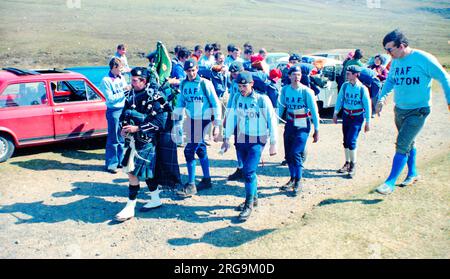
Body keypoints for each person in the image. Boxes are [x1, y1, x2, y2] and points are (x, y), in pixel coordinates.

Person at [374, 29, 450, 195]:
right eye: (386, 50)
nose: (387, 53)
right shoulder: (395, 61)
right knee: (410, 142)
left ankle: (390, 182)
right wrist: (381, 99)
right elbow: (390, 81)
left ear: (401, 46)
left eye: (389, 49)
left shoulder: (423, 58)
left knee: (402, 143)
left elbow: (444, 77)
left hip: (419, 110)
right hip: (400, 110)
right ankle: (413, 173)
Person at [221, 71, 278, 221]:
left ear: (251, 84)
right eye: (239, 86)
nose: (241, 89)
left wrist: (273, 143)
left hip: (257, 140)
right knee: (246, 170)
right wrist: (226, 138)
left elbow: (272, 121)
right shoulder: (237, 98)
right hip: (241, 138)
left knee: (248, 171)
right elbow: (232, 117)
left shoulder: (262, 100)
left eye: (244, 86)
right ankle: (254, 198)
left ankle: (248, 204)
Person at [114, 67, 167, 222]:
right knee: (146, 174)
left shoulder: (155, 97)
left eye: (135, 80)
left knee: (132, 173)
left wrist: (138, 128)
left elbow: (160, 122)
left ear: (144, 81)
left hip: (147, 141)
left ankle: (130, 207)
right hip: (132, 140)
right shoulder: (130, 94)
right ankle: (155, 198)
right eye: (131, 80)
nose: (132, 83)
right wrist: (123, 128)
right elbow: (124, 113)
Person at [173, 59, 222, 197]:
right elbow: (180, 102)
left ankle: (191, 185)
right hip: (191, 119)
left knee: (189, 151)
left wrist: (217, 125)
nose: (191, 73)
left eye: (193, 70)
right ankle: (207, 180)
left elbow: (216, 103)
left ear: (197, 69)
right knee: (200, 149)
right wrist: (175, 119)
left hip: (204, 119)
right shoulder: (184, 84)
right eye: (188, 71)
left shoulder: (205, 83)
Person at [278, 65, 320, 196]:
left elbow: (314, 111)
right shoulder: (285, 90)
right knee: (288, 153)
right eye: (294, 75)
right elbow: (280, 108)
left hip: (302, 122)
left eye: (299, 75)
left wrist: (317, 129)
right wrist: (275, 123)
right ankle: (292, 178)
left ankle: (299, 180)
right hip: (290, 122)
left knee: (296, 152)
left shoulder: (306, 91)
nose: (296, 77)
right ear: (289, 76)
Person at [333, 65, 371, 178]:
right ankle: (347, 162)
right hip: (346, 115)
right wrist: (335, 113)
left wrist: (368, 122)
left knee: (351, 140)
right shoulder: (345, 86)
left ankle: (353, 165)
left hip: (357, 117)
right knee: (345, 140)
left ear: (356, 74)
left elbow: (367, 106)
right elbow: (340, 99)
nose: (347, 75)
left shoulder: (362, 88)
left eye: (349, 73)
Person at [100, 58, 130, 174]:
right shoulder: (106, 80)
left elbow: (125, 91)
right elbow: (111, 99)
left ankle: (121, 161)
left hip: (123, 109)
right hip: (113, 110)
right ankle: (111, 163)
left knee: (122, 136)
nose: (121, 70)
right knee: (113, 138)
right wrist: (123, 91)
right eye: (120, 68)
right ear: (114, 67)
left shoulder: (121, 78)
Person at [224, 61, 245, 181]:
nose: (233, 75)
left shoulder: (248, 82)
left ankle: (247, 169)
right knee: (238, 143)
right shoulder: (233, 83)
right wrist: (227, 116)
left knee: (247, 143)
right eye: (232, 73)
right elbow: (231, 100)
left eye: (235, 73)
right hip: (236, 116)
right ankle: (241, 167)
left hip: (247, 117)